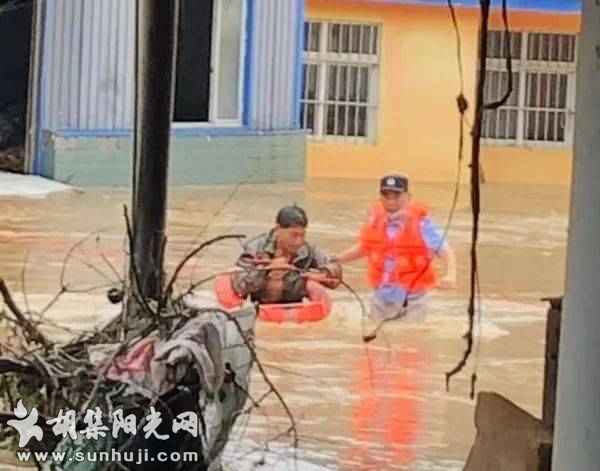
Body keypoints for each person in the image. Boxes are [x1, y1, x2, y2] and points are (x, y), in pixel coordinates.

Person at [335, 174, 456, 321]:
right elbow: (364, 248)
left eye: (396, 195)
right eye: (386, 195)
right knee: (375, 338)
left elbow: (445, 250)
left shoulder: (422, 222)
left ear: (408, 197)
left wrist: (451, 274)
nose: (391, 200)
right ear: (380, 197)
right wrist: (335, 260)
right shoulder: (375, 219)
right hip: (381, 296)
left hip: (412, 299)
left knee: (409, 338)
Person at [215, 205, 342, 309]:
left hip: (294, 306)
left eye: (302, 235)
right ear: (278, 229)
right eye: (294, 235)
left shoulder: (308, 251)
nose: (298, 241)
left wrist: (323, 274)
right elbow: (239, 285)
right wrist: (266, 271)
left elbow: (334, 266)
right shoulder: (255, 248)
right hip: (261, 306)